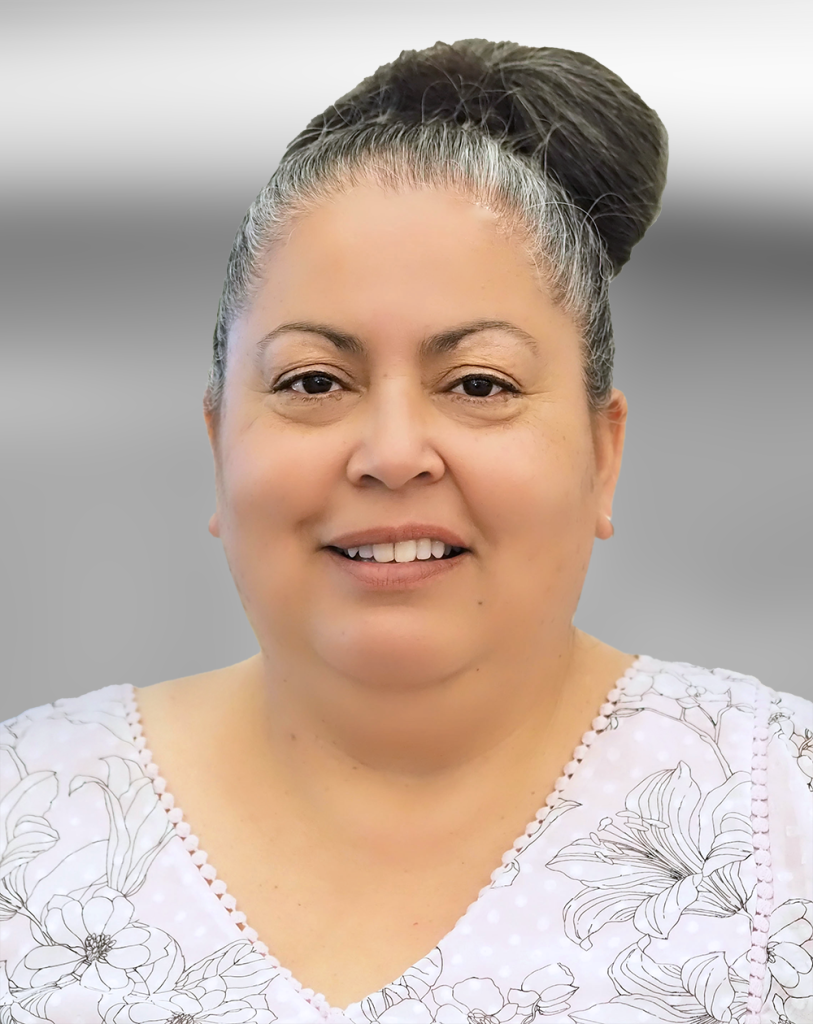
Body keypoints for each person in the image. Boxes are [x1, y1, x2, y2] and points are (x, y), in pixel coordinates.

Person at [1, 38, 810, 1024]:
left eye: (479, 384)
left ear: (603, 453)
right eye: (313, 382)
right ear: (219, 445)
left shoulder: (783, 809)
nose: (392, 453)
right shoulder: (25, 817)